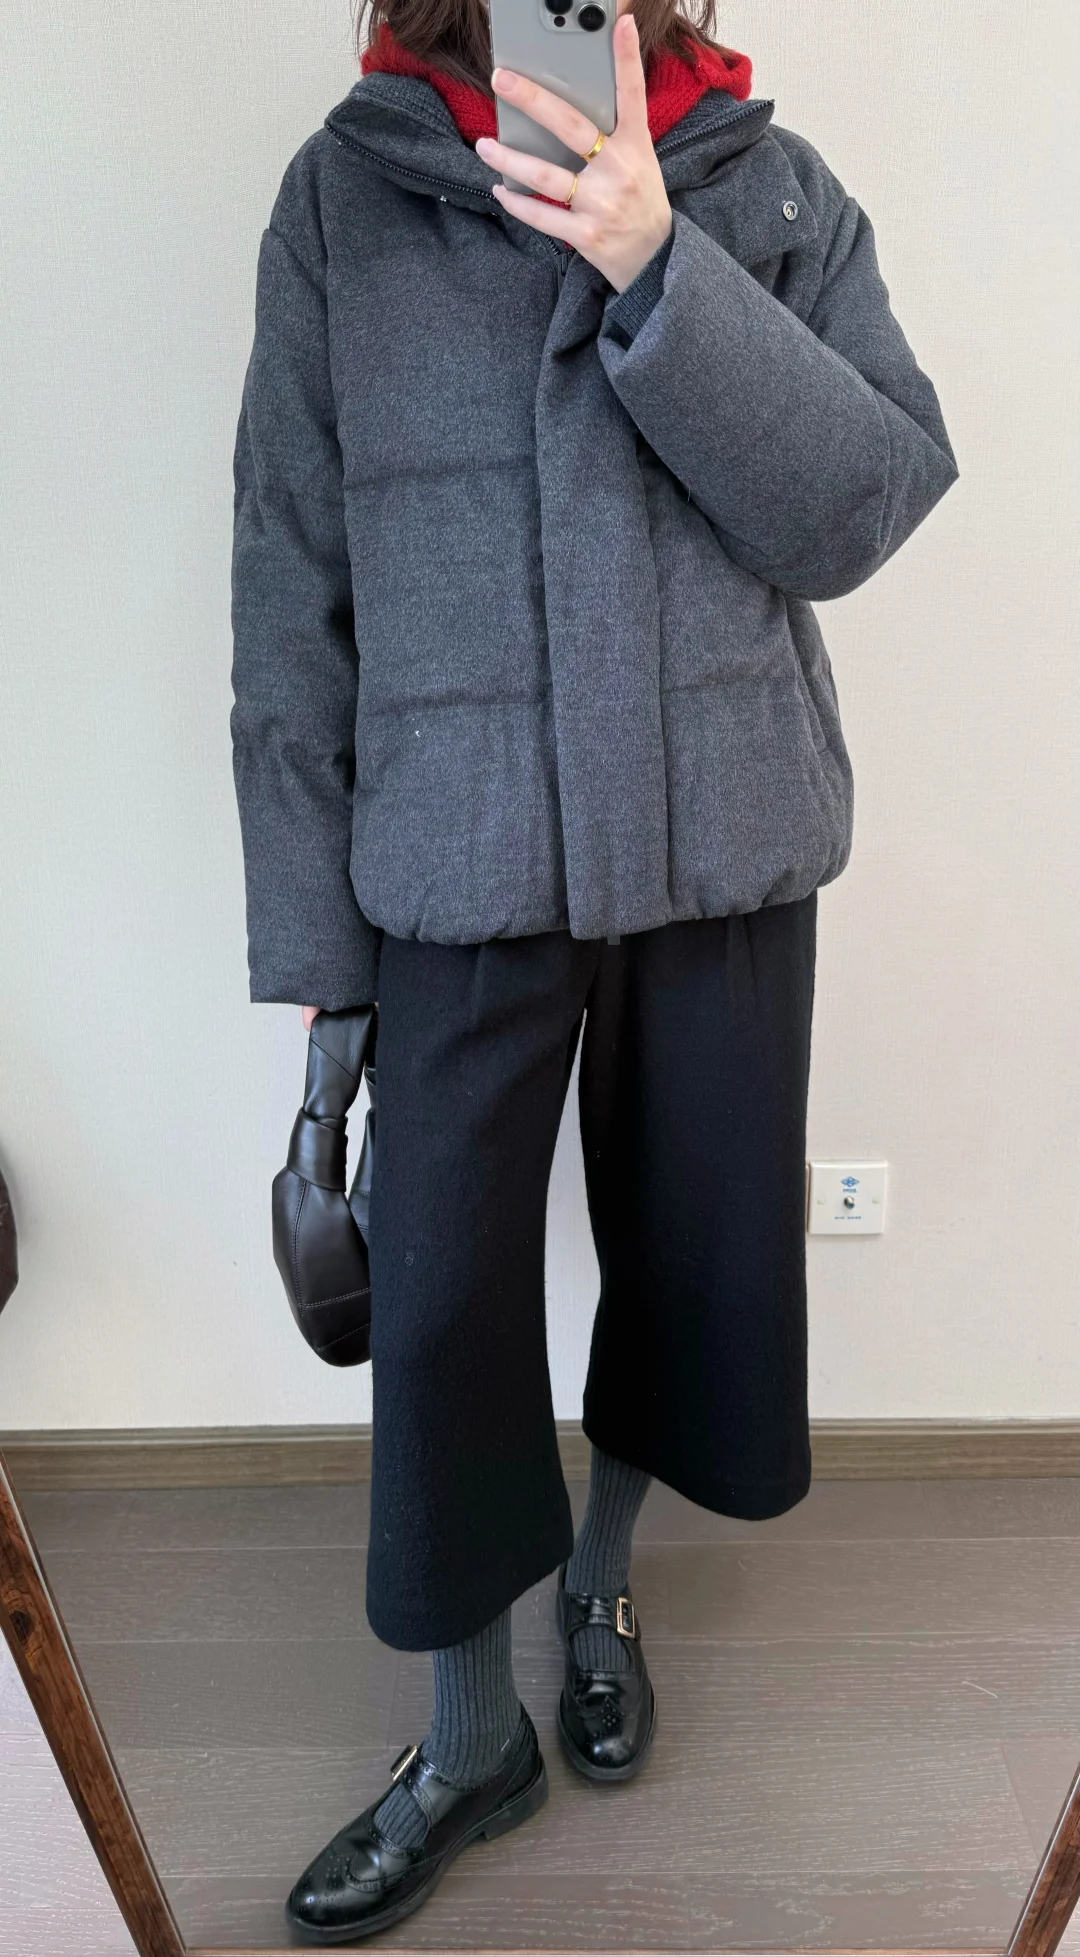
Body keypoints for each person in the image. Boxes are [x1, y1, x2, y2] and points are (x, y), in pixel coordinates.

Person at [230, 0, 958, 1938]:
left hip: (720, 845)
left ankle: (603, 1585)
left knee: (693, 1254)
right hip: (456, 859)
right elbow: (288, 582)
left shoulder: (768, 190)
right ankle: (469, 1736)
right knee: (445, 1311)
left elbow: (869, 498)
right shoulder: (343, 202)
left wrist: (659, 263)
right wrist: (315, 934)